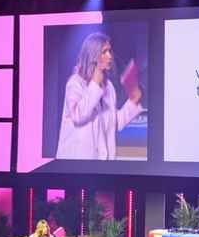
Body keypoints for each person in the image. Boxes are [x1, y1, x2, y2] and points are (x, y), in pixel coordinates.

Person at [56, 32, 143, 160]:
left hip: (102, 164)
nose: (110, 56)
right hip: (76, 164)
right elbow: (78, 116)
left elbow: (114, 123)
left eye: (109, 51)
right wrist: (95, 84)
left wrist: (133, 101)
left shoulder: (108, 87)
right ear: (93, 56)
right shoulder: (75, 83)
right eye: (104, 52)